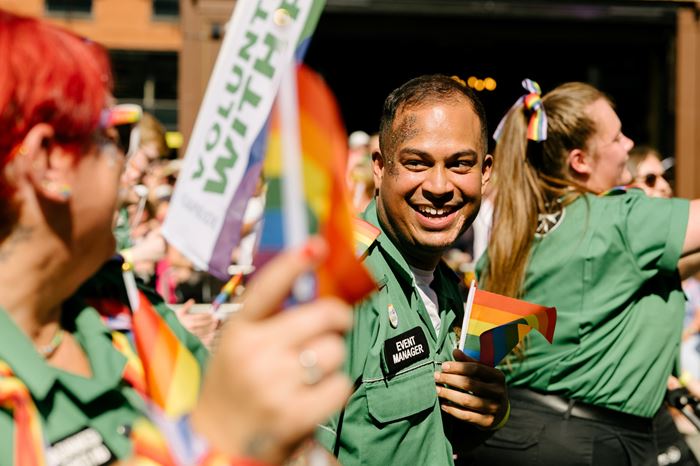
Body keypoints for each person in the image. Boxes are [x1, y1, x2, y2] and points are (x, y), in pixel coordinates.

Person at [0, 10, 353, 465]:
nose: (128, 171)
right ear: (49, 163)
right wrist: (219, 437)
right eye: (113, 135)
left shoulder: (128, 318)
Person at [471, 79, 700, 465]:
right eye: (616, 138)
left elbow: (485, 348)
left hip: (510, 434)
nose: (629, 145)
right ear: (579, 161)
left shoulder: (516, 233)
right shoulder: (617, 218)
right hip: (581, 442)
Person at [317, 74, 508, 465]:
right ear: (380, 167)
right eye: (417, 163)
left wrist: (486, 416)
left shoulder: (449, 287)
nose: (439, 186)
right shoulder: (340, 286)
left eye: (460, 164)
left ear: (485, 171)